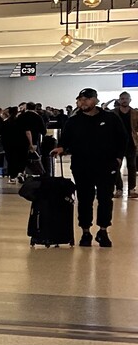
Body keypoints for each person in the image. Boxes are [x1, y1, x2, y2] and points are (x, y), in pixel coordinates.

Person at [53, 88, 127, 248]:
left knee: (105, 198)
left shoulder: (110, 118)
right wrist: (61, 148)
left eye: (87, 99)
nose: (83, 102)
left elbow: (122, 139)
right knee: (84, 199)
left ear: (95, 100)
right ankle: (85, 231)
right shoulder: (73, 121)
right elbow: (65, 141)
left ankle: (103, 231)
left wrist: (118, 158)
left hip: (106, 165)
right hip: (82, 166)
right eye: (80, 99)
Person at [114, 92, 138, 196]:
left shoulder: (135, 113)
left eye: (126, 98)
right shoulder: (113, 113)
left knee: (132, 167)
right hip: (116, 144)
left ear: (130, 100)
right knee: (116, 167)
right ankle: (119, 188)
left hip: (131, 143)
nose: (124, 100)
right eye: (122, 98)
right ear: (119, 100)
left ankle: (131, 189)